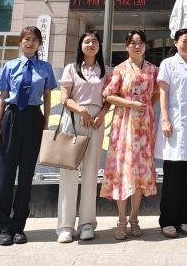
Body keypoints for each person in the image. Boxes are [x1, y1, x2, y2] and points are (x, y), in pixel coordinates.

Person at [0, 26, 56, 246]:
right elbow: (3, 97)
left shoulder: (45, 68)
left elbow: (48, 97)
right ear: (20, 42)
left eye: (35, 40)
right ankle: (3, 227)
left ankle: (19, 227)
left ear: (39, 44)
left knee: (26, 175)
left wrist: (46, 125)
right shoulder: (10, 66)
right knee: (6, 175)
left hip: (33, 119)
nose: (30, 43)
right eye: (27, 39)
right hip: (11, 118)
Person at [101, 29, 159, 240]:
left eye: (140, 42)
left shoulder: (153, 70)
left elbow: (155, 94)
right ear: (126, 46)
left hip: (144, 127)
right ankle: (121, 220)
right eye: (133, 42)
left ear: (145, 46)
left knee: (140, 173)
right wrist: (130, 104)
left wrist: (146, 108)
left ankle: (134, 218)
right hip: (124, 126)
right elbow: (108, 95)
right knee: (123, 171)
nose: (137, 46)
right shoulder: (120, 69)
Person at [56, 30, 109, 244]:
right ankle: (65, 226)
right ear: (80, 46)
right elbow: (64, 97)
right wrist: (81, 111)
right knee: (68, 173)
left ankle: (87, 224)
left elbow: (109, 99)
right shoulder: (71, 68)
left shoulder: (105, 70)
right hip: (74, 119)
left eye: (94, 41)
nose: (91, 45)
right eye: (87, 41)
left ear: (99, 46)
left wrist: (101, 115)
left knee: (90, 173)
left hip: (96, 122)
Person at [156, 28, 187, 238]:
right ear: (175, 43)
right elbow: (163, 93)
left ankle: (183, 219)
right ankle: (167, 220)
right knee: (173, 176)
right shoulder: (168, 64)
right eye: (184, 41)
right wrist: (165, 119)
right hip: (175, 124)